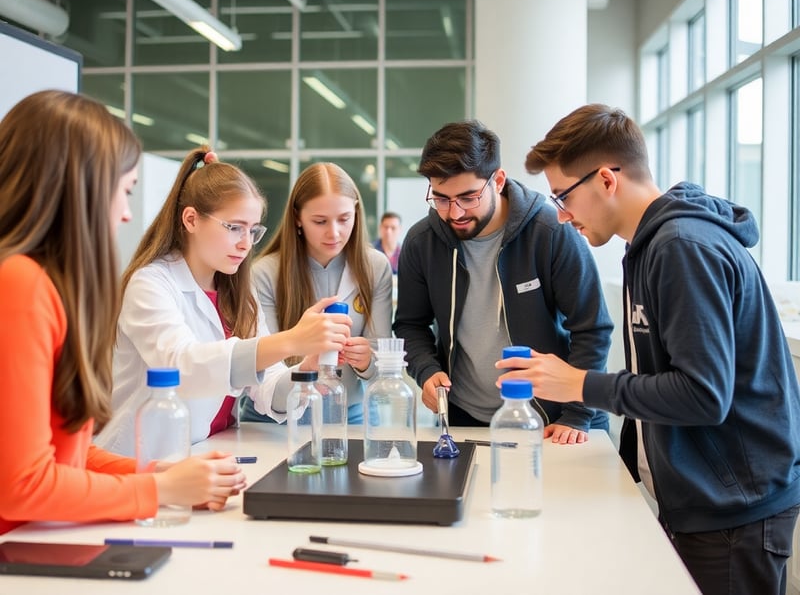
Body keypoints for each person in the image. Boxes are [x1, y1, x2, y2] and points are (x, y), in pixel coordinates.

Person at [514, 103, 800, 595]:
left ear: (606, 180)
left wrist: (578, 383)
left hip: (732, 508)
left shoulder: (682, 247)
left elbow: (703, 395)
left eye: (563, 196)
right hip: (703, 496)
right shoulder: (648, 245)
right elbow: (659, 374)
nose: (561, 216)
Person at [0, 90, 246, 535]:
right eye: (124, 191)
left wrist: (161, 476)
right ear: (81, 188)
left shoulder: (45, 284)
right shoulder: (21, 284)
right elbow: (23, 484)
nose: (127, 213)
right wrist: (161, 491)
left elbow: (66, 456)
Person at [95, 148, 352, 457]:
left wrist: (304, 372)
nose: (245, 243)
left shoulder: (239, 290)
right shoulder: (150, 284)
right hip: (141, 458)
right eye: (234, 227)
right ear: (191, 219)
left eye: (253, 230)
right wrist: (291, 340)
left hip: (210, 451)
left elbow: (267, 387)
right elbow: (183, 367)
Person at [393, 120, 613, 443]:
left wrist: (577, 414)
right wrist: (426, 370)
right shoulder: (421, 242)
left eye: (468, 197)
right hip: (464, 421)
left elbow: (592, 328)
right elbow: (410, 325)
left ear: (498, 180)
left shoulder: (551, 231)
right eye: (440, 198)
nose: (454, 213)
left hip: (555, 422)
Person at [240, 162, 393, 424]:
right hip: (275, 419)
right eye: (320, 221)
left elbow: (382, 368)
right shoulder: (264, 273)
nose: (334, 232)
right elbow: (266, 376)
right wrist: (305, 359)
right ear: (298, 218)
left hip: (349, 413)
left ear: (356, 212)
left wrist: (367, 360)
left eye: (344, 219)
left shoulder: (375, 267)